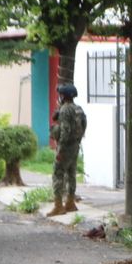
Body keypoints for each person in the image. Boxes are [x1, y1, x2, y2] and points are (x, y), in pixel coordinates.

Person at [50, 83, 86, 215]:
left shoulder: (65, 109)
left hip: (65, 147)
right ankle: (70, 202)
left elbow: (65, 130)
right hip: (75, 146)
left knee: (57, 173)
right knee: (71, 173)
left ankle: (58, 205)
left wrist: (60, 149)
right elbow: (84, 125)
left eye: (60, 94)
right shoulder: (78, 109)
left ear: (64, 96)